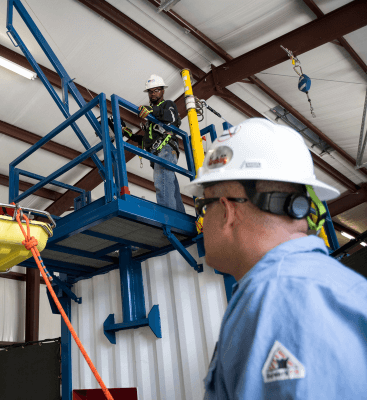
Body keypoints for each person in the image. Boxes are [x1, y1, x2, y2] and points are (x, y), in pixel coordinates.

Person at [183, 118, 367, 399]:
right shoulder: (330, 287)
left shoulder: (279, 298)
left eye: (203, 207)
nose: (202, 222)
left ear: (227, 210)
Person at [122, 74, 185, 212]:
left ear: (163, 91)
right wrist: (130, 135)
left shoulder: (168, 105)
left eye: (156, 90)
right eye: (150, 91)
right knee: (170, 187)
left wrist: (152, 110)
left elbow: (173, 119)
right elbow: (147, 141)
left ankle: (168, 218)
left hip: (166, 149)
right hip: (157, 153)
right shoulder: (151, 118)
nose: (153, 94)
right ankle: (180, 217)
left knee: (162, 183)